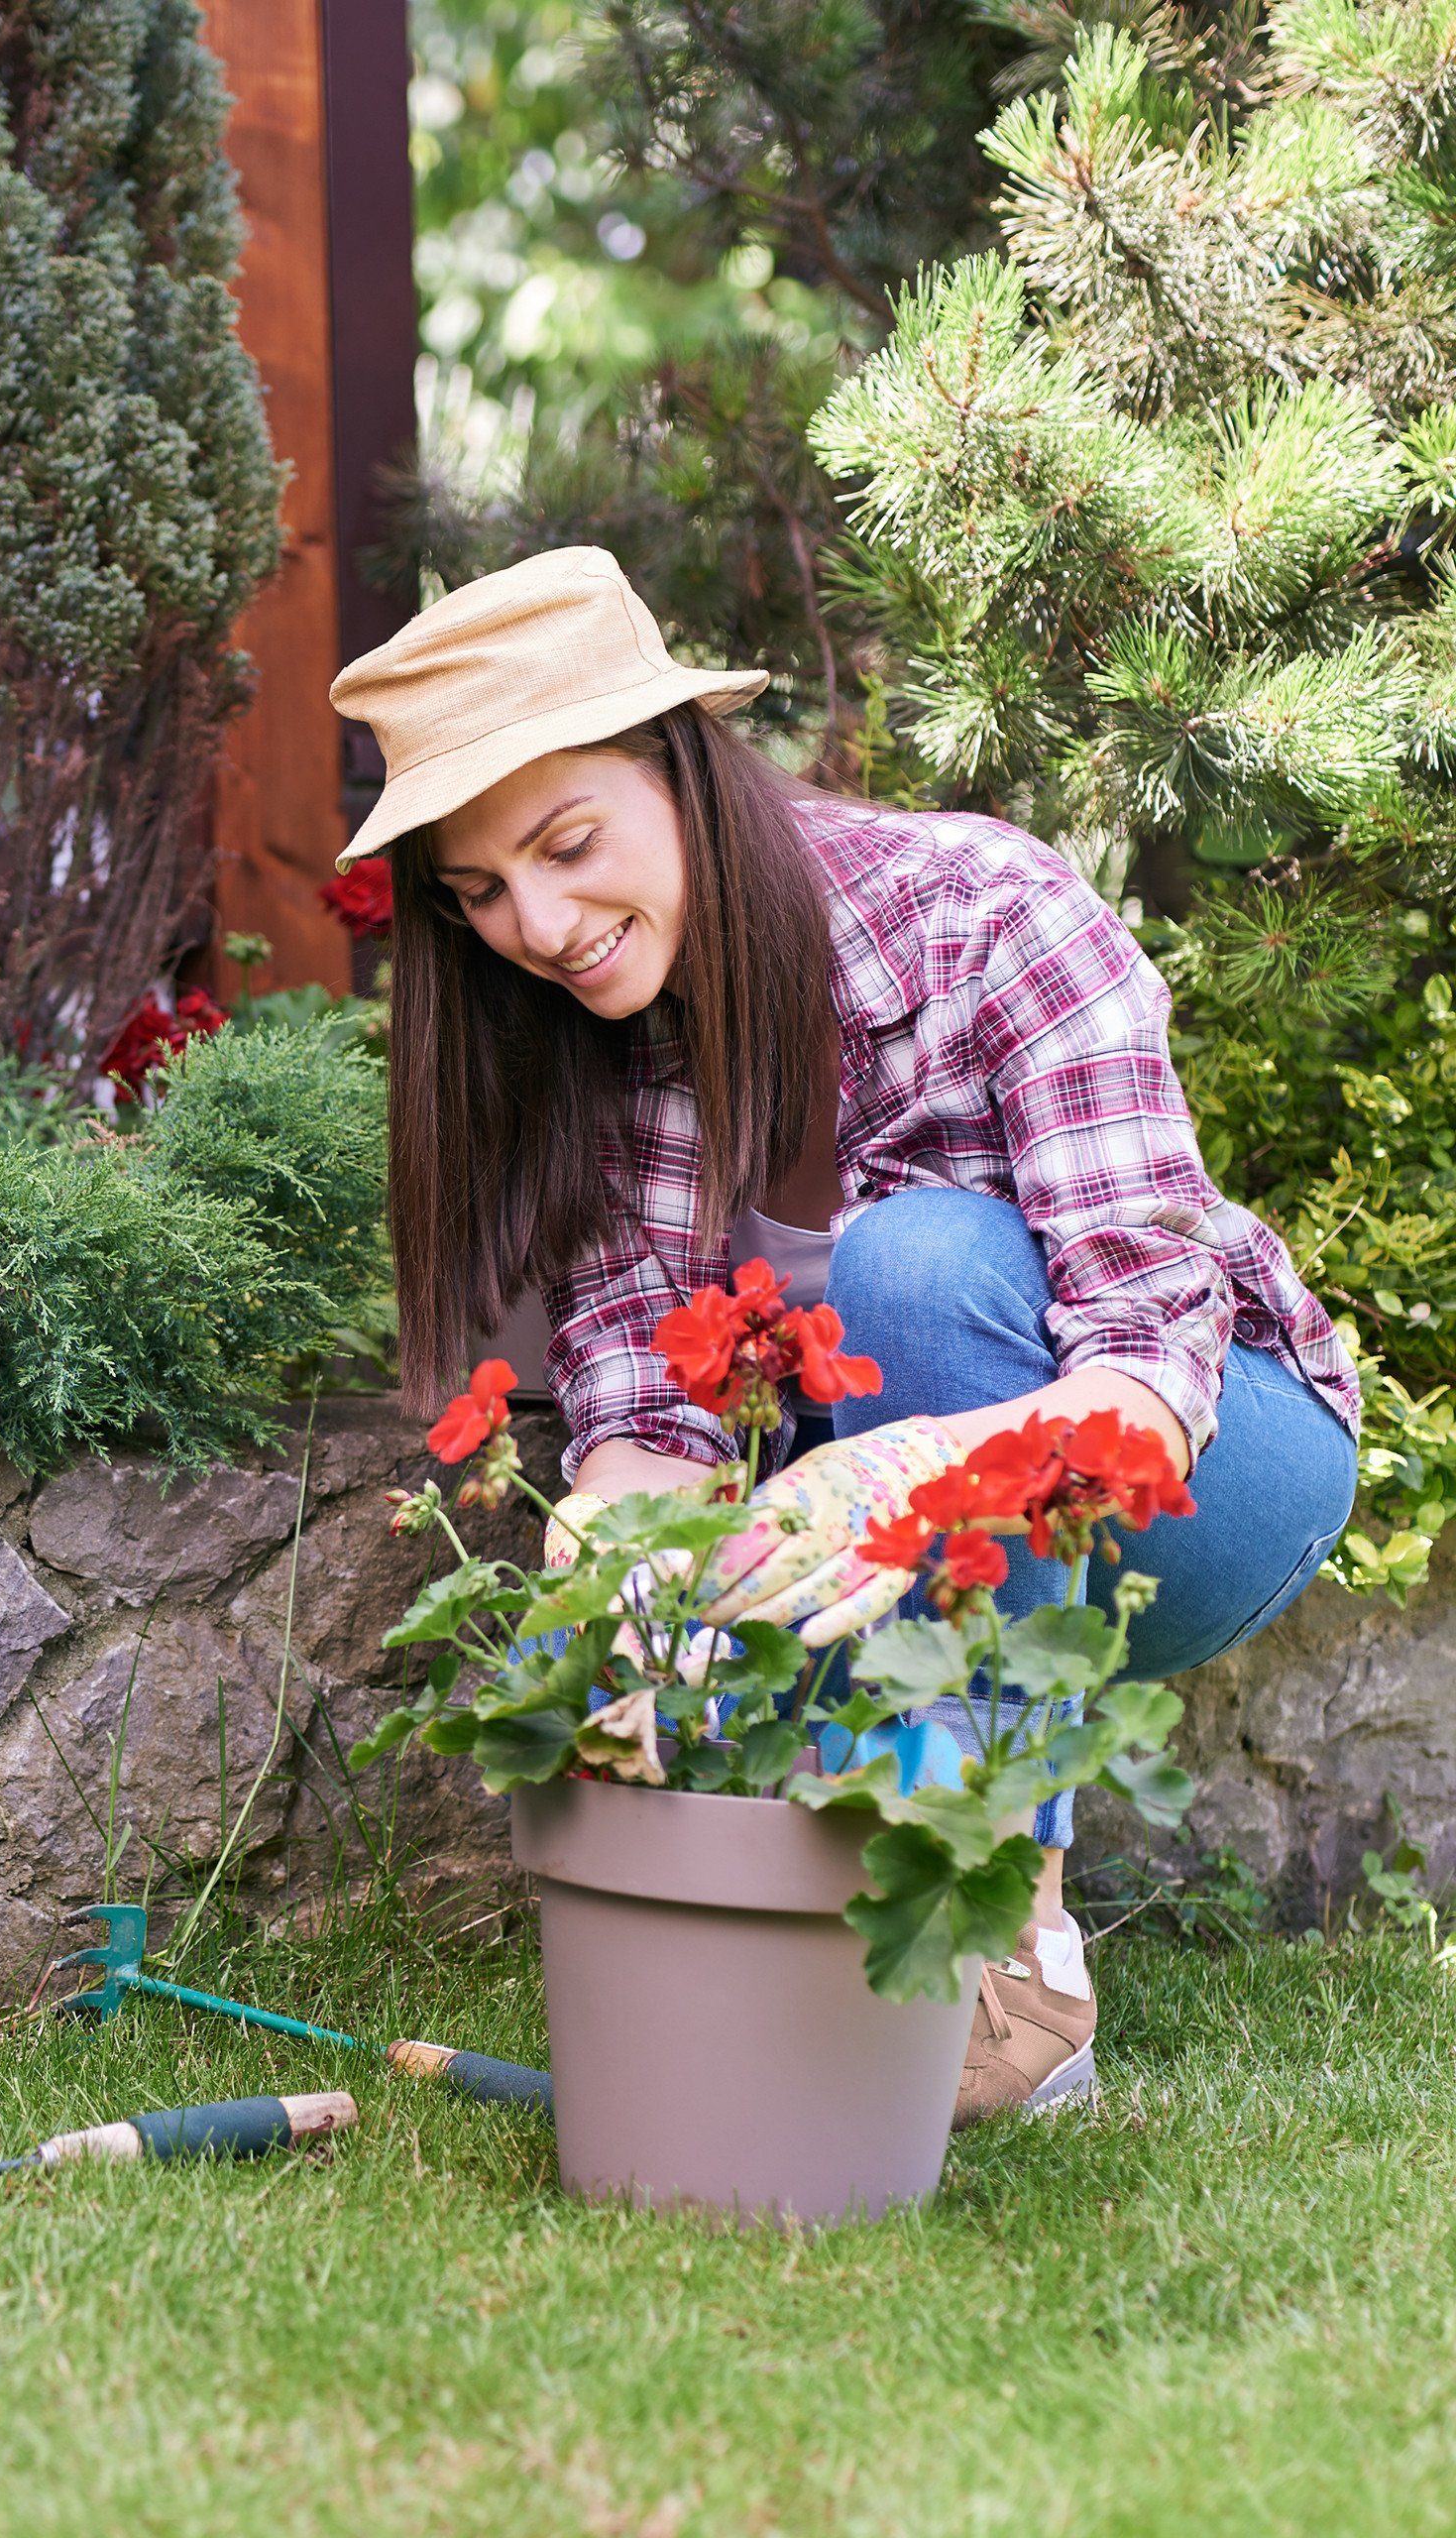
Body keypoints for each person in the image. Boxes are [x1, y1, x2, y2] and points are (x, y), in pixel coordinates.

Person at [329, 546, 1359, 2125]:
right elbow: (642, 1411)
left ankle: (1015, 1942)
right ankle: (844, 1911)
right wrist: (620, 1576)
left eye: (565, 843)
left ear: (683, 766)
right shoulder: (593, 1045)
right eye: (478, 894)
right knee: (715, 1526)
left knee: (914, 1266)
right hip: (889, 1533)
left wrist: (909, 1475)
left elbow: (1154, 1369)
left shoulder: (984, 915)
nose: (534, 923)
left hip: (1211, 1474)